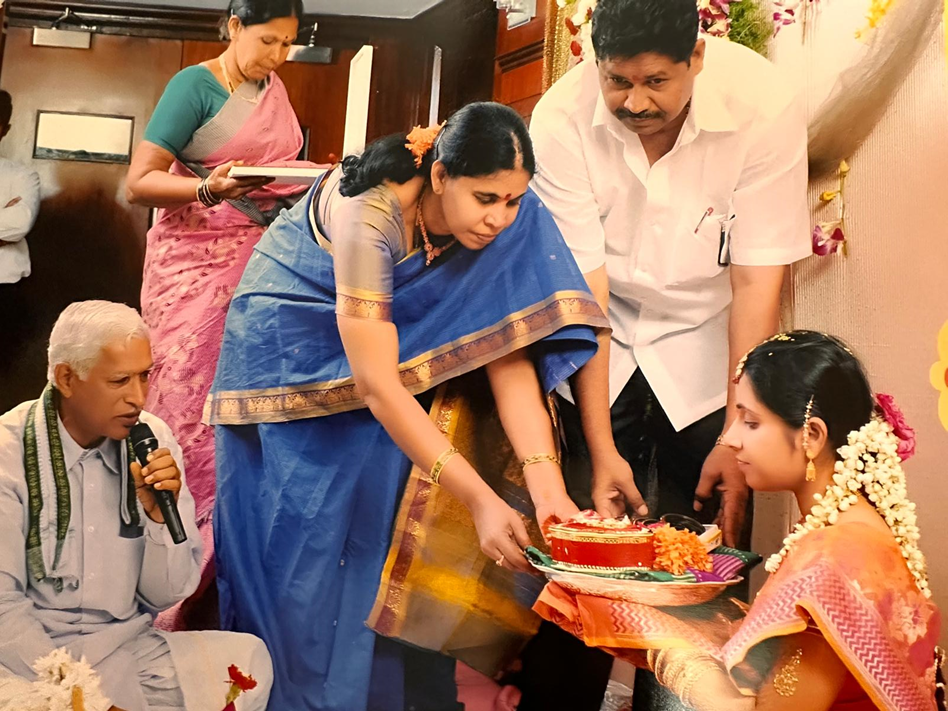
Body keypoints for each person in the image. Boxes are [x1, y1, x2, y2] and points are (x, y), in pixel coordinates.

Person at [204, 102, 609, 710]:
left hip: (384, 379)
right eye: (486, 199)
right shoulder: (372, 217)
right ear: (440, 175)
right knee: (305, 562)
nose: (500, 218)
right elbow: (378, 386)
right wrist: (478, 499)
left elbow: (504, 347)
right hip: (291, 356)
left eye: (513, 200)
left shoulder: (505, 216)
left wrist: (547, 487)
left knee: (377, 543)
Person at [534, 331, 943, 711]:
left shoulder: (831, 558)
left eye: (750, 421)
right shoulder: (855, 530)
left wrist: (669, 653)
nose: (730, 438)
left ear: (812, 436)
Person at [530, 0, 811, 544]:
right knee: (589, 537)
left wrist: (737, 438)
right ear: (594, 60)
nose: (635, 102)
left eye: (655, 81)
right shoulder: (560, 119)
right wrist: (602, 447)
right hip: (599, 339)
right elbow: (587, 291)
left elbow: (756, 282)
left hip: (711, 345)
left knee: (706, 543)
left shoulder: (763, 105)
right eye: (617, 81)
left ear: (697, 56)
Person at [124, 0, 317, 608]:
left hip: (260, 266)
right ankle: (165, 571)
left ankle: (222, 578)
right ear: (234, 27)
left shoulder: (276, 90)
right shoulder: (195, 86)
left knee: (240, 409)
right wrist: (212, 186)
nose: (277, 57)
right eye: (267, 40)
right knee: (184, 405)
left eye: (288, 44)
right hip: (195, 265)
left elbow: (277, 176)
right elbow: (139, 181)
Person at [0, 301, 273, 711]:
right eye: (119, 381)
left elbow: (167, 595)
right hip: (27, 660)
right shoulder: (8, 451)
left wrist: (159, 517)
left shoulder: (153, 440)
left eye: (145, 376)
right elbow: (3, 608)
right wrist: (84, 698)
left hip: (124, 651)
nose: (138, 398)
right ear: (67, 378)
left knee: (248, 661)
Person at [0, 89, 40, 286]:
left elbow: (19, 224)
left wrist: (11, 220)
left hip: (5, 284)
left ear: (4, 130)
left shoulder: (23, 176)